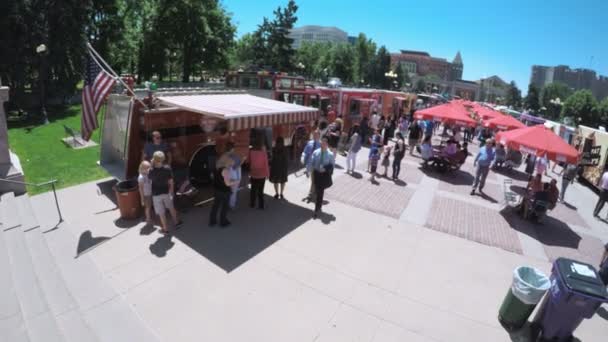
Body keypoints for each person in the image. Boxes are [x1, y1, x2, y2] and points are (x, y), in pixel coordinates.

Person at [148, 151, 182, 234]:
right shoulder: (167, 168)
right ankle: (176, 222)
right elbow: (171, 182)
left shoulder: (151, 170)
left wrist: (151, 165)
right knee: (171, 208)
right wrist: (171, 192)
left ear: (154, 159)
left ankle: (165, 229)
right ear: (163, 159)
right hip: (166, 192)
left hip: (156, 194)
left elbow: (150, 179)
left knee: (161, 212)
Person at [209, 154, 238, 227]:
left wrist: (229, 179)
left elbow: (216, 178)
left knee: (215, 205)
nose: (233, 163)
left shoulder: (216, 167)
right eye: (232, 162)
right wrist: (236, 181)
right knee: (225, 207)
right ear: (227, 161)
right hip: (224, 191)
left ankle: (212, 221)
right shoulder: (226, 170)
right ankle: (223, 221)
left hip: (217, 190)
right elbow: (227, 183)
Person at [310, 137, 335, 218]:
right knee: (317, 191)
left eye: (324, 143)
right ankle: (319, 205)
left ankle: (316, 209)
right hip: (316, 174)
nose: (322, 144)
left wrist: (325, 169)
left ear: (327, 144)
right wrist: (309, 169)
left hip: (324, 176)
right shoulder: (316, 152)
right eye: (321, 143)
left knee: (320, 192)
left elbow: (332, 166)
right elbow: (312, 163)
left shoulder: (330, 155)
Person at [249, 138, 270, 210]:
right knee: (261, 191)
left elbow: (249, 161)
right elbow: (266, 164)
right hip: (262, 174)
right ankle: (261, 205)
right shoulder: (263, 152)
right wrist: (267, 174)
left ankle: (252, 204)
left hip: (253, 173)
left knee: (253, 190)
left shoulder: (251, 151)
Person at [301, 130, 321, 202]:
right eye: (314, 135)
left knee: (313, 181)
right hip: (309, 164)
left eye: (316, 135)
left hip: (316, 166)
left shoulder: (321, 145)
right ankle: (314, 193)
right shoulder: (309, 143)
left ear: (319, 136)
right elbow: (305, 152)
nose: (315, 136)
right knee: (313, 181)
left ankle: (310, 195)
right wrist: (303, 157)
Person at [225, 142, 242, 209]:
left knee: (227, 192)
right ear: (233, 148)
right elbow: (237, 168)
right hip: (234, 177)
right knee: (233, 193)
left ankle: (226, 204)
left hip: (226, 176)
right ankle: (231, 205)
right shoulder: (236, 157)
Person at [138, 161, 153, 225]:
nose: (149, 169)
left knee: (149, 206)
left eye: (149, 167)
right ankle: (148, 219)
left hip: (150, 193)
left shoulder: (147, 174)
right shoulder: (141, 177)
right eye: (147, 168)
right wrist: (142, 199)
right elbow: (140, 189)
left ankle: (148, 216)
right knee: (147, 207)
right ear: (142, 169)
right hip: (146, 195)